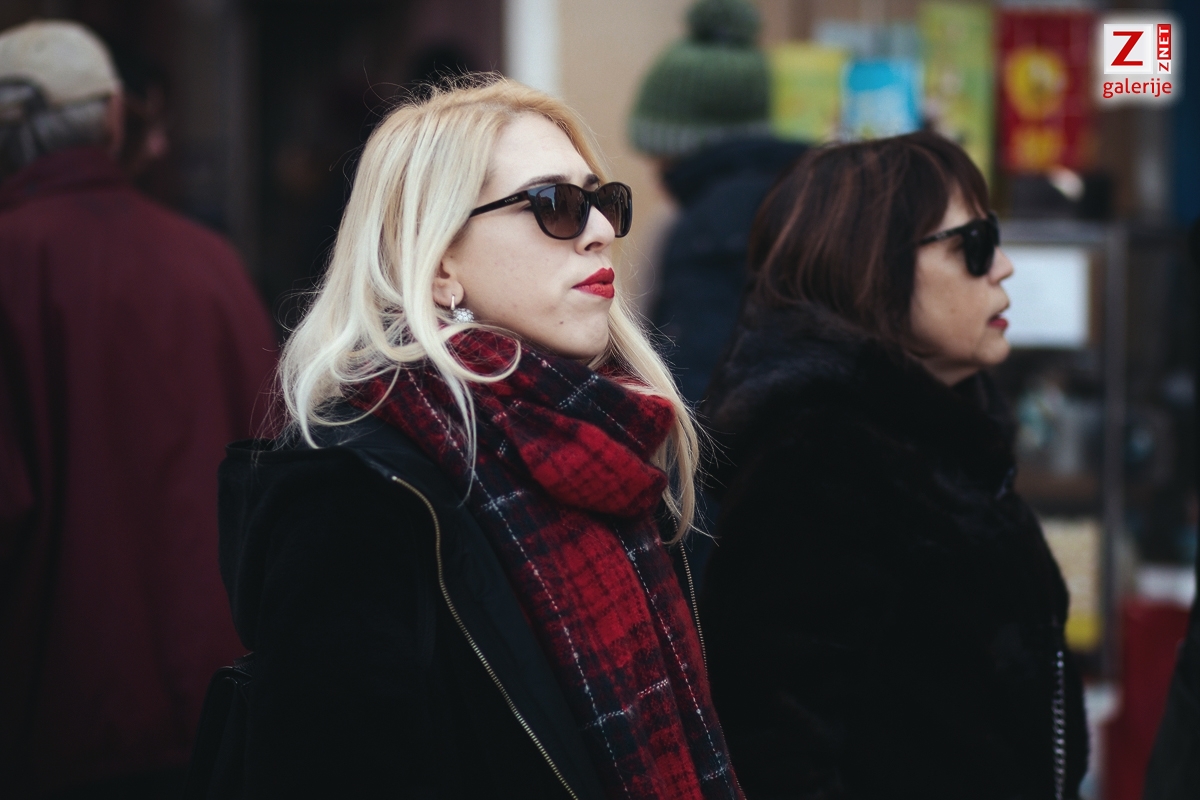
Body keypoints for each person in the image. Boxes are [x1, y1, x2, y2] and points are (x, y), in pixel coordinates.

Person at [210, 76, 742, 799]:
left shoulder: (619, 447)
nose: (600, 231)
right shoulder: (355, 493)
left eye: (602, 201)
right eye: (554, 204)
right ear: (439, 267)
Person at [698, 132, 1089, 799]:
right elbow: (775, 754)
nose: (1003, 267)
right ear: (872, 267)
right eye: (974, 243)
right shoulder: (815, 465)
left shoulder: (949, 437)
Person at [0, 20, 277, 798]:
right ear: (117, 116)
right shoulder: (211, 264)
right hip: (219, 704)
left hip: (57, 719)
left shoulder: (12, 261)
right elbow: (277, 471)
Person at [628, 0, 806, 405]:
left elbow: (695, 382)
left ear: (684, 145)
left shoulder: (708, 227)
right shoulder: (803, 192)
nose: (655, 172)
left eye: (658, 153)